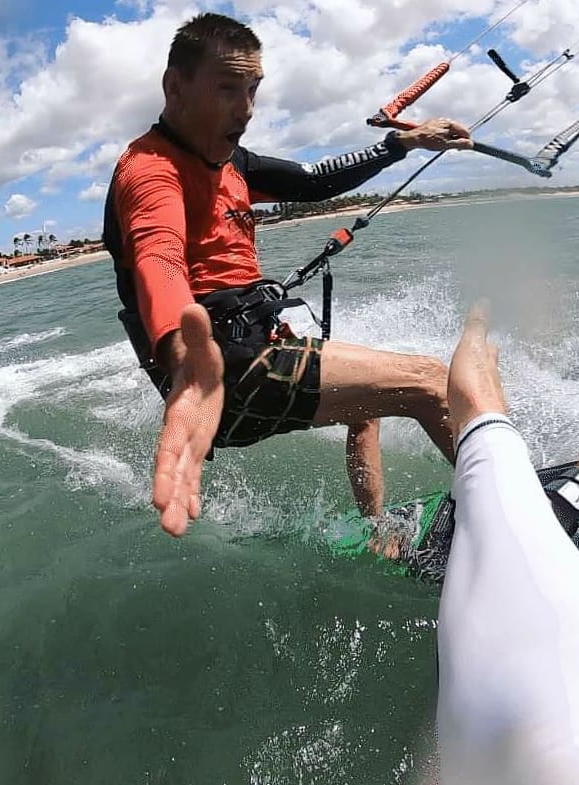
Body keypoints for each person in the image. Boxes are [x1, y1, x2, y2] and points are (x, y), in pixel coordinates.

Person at [103, 12, 473, 535]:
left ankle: (376, 531)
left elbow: (313, 181)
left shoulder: (232, 161)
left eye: (253, 90)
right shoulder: (150, 170)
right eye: (228, 90)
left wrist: (402, 144)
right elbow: (157, 256)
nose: (246, 110)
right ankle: (525, 514)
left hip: (249, 346)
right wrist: (183, 357)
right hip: (221, 367)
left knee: (367, 404)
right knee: (430, 382)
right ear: (175, 87)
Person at [436, 301, 579, 784]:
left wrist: (478, 316)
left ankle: (478, 321)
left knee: (481, 412)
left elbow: (469, 396)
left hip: (550, 720)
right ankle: (562, 502)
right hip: (559, 730)